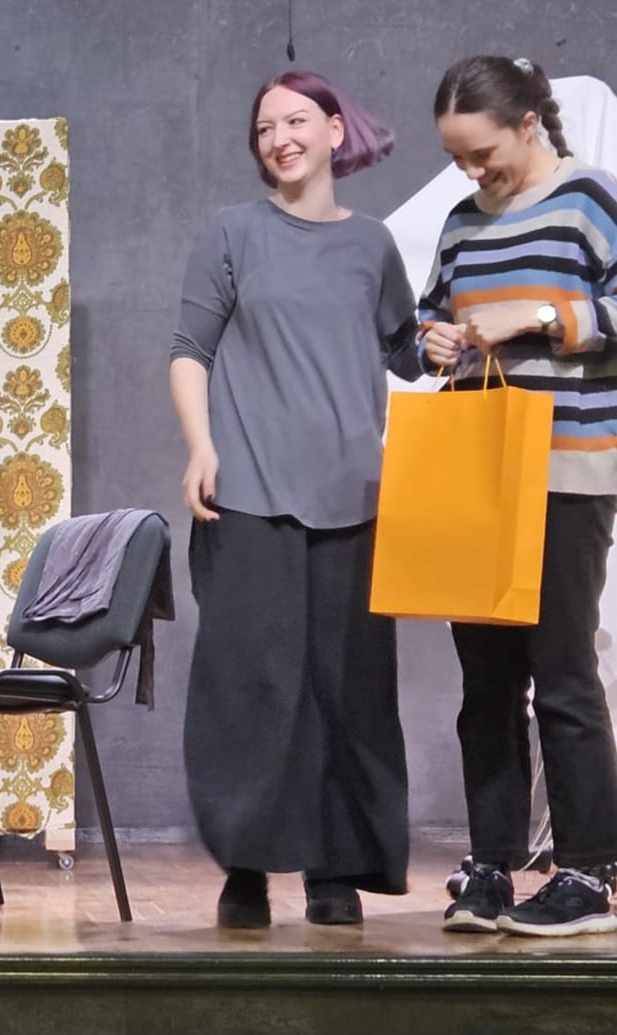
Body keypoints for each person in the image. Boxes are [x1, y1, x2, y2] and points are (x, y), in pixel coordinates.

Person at [170, 71, 421, 928]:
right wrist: (202, 445)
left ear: (335, 130)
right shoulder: (233, 231)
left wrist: (452, 340)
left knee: (348, 691)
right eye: (265, 127)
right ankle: (246, 866)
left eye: (297, 121)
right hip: (247, 495)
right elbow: (189, 349)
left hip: (354, 497)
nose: (280, 138)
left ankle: (334, 869)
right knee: (252, 687)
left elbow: (407, 350)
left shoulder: (372, 245)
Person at [417, 55, 617, 938]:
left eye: (483, 153)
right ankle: (490, 866)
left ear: (528, 124)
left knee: (562, 674)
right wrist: (431, 339)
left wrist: (538, 317)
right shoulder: (463, 221)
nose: (472, 172)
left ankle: (587, 871)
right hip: (477, 470)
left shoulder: (590, 200)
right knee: (486, 683)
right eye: (458, 158)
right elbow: (428, 315)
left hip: (567, 467)